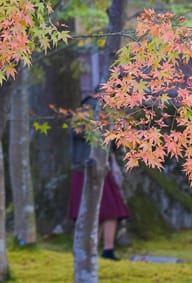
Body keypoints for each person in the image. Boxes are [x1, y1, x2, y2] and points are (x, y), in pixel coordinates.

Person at [68, 95, 130, 260]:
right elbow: (78, 132)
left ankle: (103, 249)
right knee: (94, 211)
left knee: (109, 211)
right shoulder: (85, 112)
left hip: (103, 168)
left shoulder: (108, 115)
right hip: (85, 169)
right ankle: (92, 249)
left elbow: (114, 144)